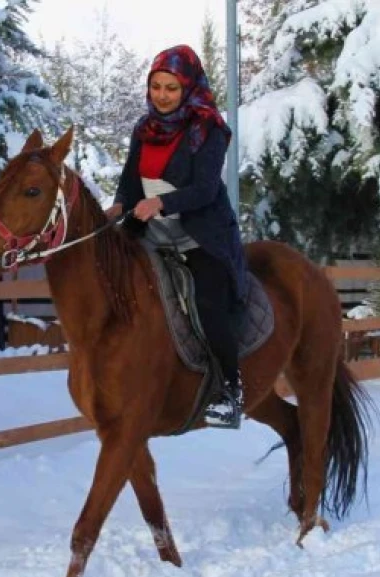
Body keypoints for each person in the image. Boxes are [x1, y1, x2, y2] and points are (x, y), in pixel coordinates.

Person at [105, 44, 248, 428]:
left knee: (207, 303)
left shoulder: (207, 128)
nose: (163, 96)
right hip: (150, 230)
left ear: (187, 87)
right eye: (156, 87)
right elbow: (131, 182)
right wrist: (120, 206)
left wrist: (161, 203)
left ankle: (231, 390)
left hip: (199, 233)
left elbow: (204, 189)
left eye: (171, 87)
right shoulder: (144, 127)